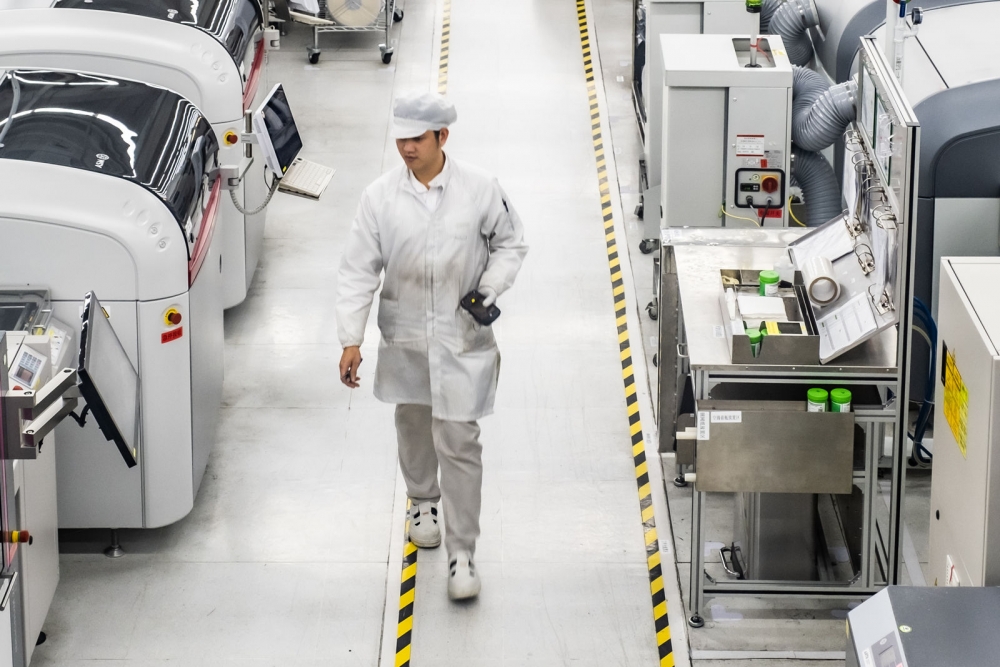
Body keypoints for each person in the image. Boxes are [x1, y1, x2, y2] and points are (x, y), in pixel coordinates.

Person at [336, 92, 528, 600]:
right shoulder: (378, 197)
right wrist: (350, 337)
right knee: (414, 421)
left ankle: (463, 553)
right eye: (400, 139)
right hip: (406, 335)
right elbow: (359, 269)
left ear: (443, 137)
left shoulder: (481, 189)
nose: (406, 149)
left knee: (460, 441)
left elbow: (511, 243)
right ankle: (423, 499)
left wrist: (488, 288)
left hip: (462, 335)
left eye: (416, 139)